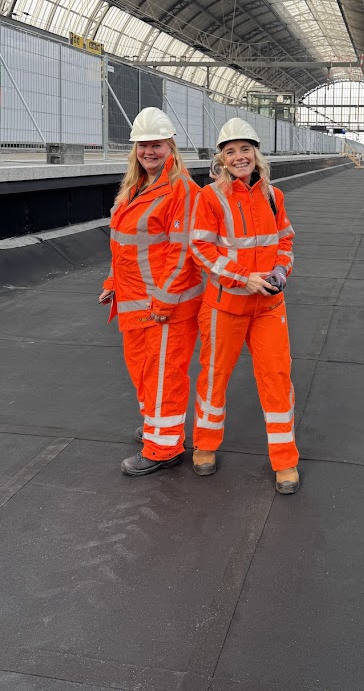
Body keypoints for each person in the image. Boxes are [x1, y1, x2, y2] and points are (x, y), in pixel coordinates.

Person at [190, 118, 300, 494]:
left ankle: (285, 460)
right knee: (214, 377)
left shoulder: (273, 196)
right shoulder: (211, 197)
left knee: (277, 379)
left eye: (245, 149)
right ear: (221, 158)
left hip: (268, 307)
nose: (239, 157)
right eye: (231, 151)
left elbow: (285, 240)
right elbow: (201, 248)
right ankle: (205, 445)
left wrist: (281, 270)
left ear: (256, 154)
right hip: (225, 306)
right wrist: (243, 277)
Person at [98, 107, 204, 476]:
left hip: (165, 307)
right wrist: (112, 283)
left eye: (156, 144)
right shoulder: (135, 187)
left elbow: (183, 252)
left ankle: (164, 448)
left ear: (170, 146)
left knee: (164, 376)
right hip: (135, 302)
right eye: (143, 145)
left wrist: (164, 300)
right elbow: (123, 245)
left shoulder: (182, 190)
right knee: (143, 372)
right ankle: (158, 429)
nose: (149, 152)